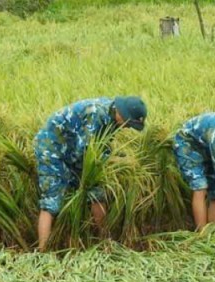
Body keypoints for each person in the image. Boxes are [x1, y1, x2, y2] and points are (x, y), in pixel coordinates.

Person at [34, 96, 147, 251]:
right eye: (129, 123)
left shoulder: (113, 117)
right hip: (52, 149)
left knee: (97, 193)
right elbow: (88, 150)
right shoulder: (97, 115)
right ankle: (43, 251)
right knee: (52, 200)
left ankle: (104, 243)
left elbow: (101, 146)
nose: (128, 127)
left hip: (76, 151)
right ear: (122, 114)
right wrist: (113, 161)